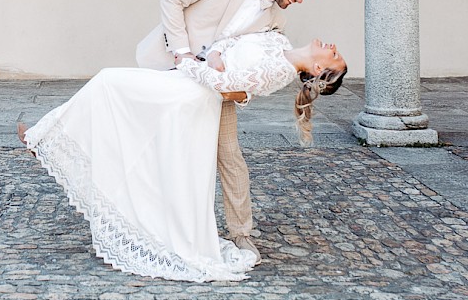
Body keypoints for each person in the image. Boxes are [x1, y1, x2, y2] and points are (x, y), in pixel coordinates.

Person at [19, 31, 346, 282]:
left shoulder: (279, 71)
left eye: (335, 56)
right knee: (111, 89)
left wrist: (188, 63)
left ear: (317, 68)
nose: (333, 46)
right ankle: (46, 135)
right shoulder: (278, 39)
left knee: (111, 85)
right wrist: (211, 54)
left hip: (191, 94)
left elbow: (225, 85)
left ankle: (47, 138)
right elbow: (229, 40)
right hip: (185, 79)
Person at [135, 0, 317, 264]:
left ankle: (241, 233)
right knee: (144, 140)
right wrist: (182, 53)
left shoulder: (276, 22)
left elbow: (260, 69)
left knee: (231, 157)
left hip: (217, 91)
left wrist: (239, 95)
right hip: (168, 68)